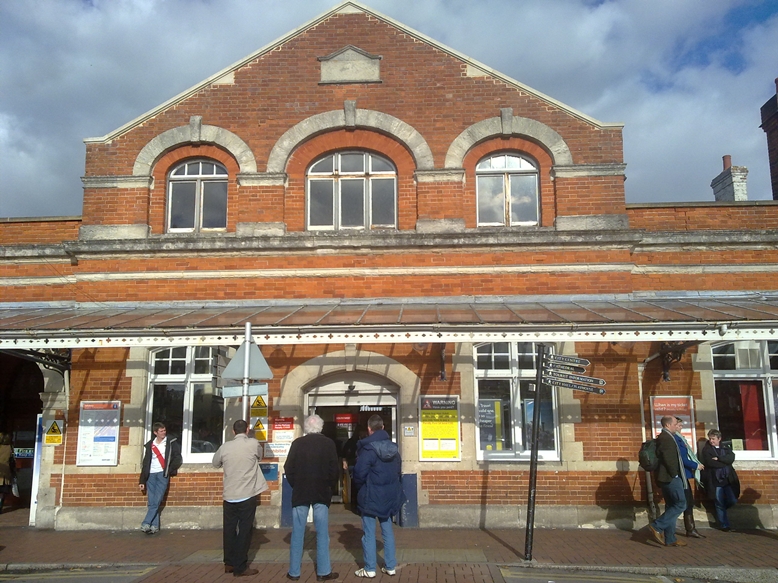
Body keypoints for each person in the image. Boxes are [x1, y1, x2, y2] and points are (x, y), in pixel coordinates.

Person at [284, 414, 339, 582]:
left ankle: (294, 572)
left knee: (297, 532)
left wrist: (296, 484)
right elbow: (334, 470)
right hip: (321, 492)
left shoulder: (297, 444)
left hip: (301, 492)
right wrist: (329, 485)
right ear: (320, 427)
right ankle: (323, 571)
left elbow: (288, 467)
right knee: (322, 532)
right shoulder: (328, 443)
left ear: (306, 428)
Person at [212, 419, 268, 577]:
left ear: (233, 431)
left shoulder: (225, 447)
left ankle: (228, 563)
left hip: (229, 495)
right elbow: (260, 456)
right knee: (244, 530)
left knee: (229, 530)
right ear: (248, 430)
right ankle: (241, 566)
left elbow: (215, 463)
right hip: (247, 494)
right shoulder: (253, 444)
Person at [353, 415, 404, 578]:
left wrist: (361, 488)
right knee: (387, 529)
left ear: (369, 429)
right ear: (382, 428)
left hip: (370, 495)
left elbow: (359, 474)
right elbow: (397, 471)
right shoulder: (394, 449)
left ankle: (369, 569)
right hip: (388, 495)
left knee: (368, 532)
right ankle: (390, 566)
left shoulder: (368, 450)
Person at [648, 416, 690, 547]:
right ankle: (657, 526)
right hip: (670, 477)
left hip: (667, 477)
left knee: (672, 505)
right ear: (668, 425)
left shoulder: (666, 437)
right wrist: (675, 474)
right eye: (675, 423)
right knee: (681, 504)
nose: (677, 425)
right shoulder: (666, 438)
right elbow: (669, 459)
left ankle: (670, 538)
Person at [138, 422, 182, 534]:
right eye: (161, 431)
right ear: (155, 432)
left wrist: (169, 469)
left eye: (164, 430)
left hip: (162, 474)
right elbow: (145, 463)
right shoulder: (150, 445)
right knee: (152, 500)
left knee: (157, 499)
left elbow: (178, 458)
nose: (164, 433)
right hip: (151, 474)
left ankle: (146, 522)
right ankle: (154, 526)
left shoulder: (171, 442)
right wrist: (142, 480)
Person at [699, 429, 739, 531]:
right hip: (715, 480)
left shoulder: (725, 447)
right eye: (710, 439)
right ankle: (724, 525)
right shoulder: (706, 450)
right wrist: (725, 462)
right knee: (719, 502)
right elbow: (710, 463)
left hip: (727, 479)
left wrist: (719, 459)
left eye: (713, 439)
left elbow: (731, 458)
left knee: (732, 500)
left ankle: (721, 512)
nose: (711, 441)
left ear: (719, 439)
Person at [673, 417, 705, 538]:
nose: (681, 428)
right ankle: (660, 525)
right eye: (680, 425)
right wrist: (696, 465)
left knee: (686, 502)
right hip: (681, 475)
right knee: (683, 502)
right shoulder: (676, 439)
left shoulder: (680, 438)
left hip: (683, 474)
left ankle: (690, 528)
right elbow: (682, 458)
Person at [0, 433, 15, 514]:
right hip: (5, 472)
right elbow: (12, 459)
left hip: (2, 471)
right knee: (2, 492)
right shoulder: (9, 448)